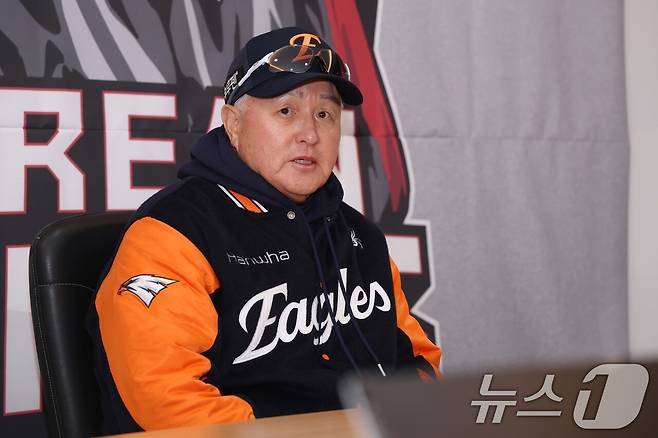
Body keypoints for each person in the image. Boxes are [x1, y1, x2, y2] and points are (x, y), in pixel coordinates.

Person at [87, 26, 441, 434]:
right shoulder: (174, 233)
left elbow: (418, 362)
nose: (310, 134)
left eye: (324, 115)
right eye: (286, 111)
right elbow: (164, 400)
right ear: (233, 124)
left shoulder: (361, 237)